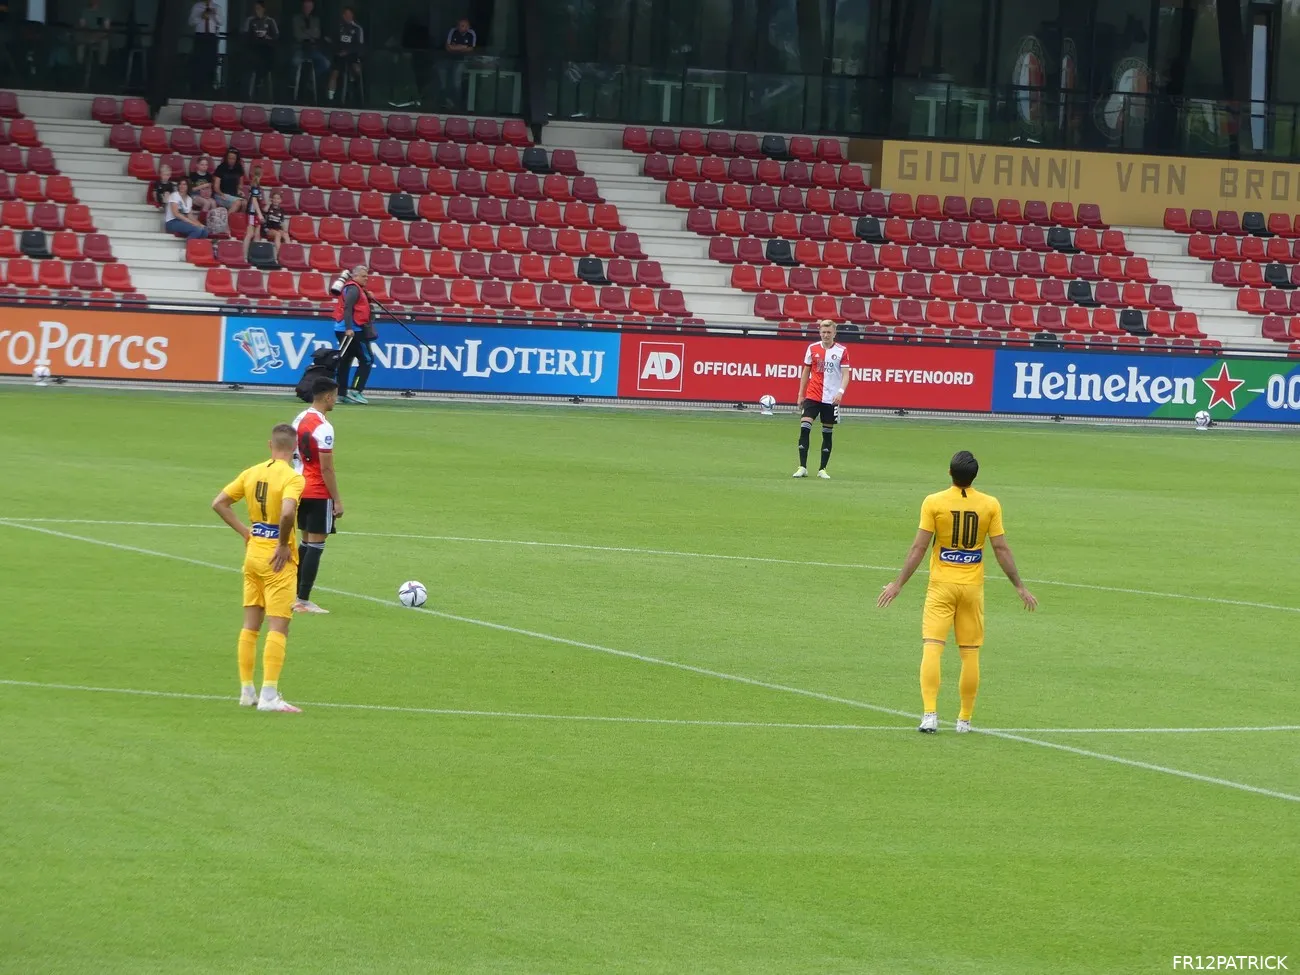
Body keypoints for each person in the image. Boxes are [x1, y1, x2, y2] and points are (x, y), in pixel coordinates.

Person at [877, 451, 1038, 734]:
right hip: (972, 588)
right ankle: (964, 720)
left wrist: (898, 583)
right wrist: (1019, 586)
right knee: (970, 653)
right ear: (974, 476)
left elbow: (919, 548)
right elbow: (1001, 548)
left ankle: (930, 715)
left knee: (932, 647)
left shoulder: (934, 502)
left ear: (950, 473)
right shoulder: (989, 504)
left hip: (941, 586)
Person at [210, 422, 306, 713]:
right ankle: (268, 696)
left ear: (270, 445)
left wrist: (245, 532)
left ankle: (246, 691)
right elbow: (288, 511)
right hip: (277, 560)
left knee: (250, 625)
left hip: (253, 553)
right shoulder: (292, 478)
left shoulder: (251, 472)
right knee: (279, 626)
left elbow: (220, 503)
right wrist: (281, 544)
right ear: (295, 448)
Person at [292, 378, 343, 615]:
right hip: (318, 491)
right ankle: (303, 600)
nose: (336, 400)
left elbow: (294, 455)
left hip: (299, 486)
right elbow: (327, 469)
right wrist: (338, 500)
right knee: (316, 545)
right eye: (335, 395)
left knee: (305, 542)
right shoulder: (324, 426)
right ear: (327, 397)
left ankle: (293, 595)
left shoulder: (299, 418)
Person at [793, 319, 850, 480]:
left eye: (829, 332)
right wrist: (800, 394)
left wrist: (840, 392)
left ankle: (822, 469)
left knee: (827, 433)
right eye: (823, 332)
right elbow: (805, 372)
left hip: (831, 398)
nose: (826, 335)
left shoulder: (842, 351)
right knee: (805, 427)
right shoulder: (812, 348)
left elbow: (846, 375)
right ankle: (802, 466)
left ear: (834, 333)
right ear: (819, 332)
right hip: (812, 395)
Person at [333, 265, 374, 404]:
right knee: (367, 359)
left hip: (341, 328)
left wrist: (369, 298)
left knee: (345, 361)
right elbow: (348, 307)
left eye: (367, 276)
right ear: (355, 276)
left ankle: (341, 393)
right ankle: (355, 391)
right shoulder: (353, 289)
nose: (366, 278)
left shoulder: (354, 288)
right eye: (363, 276)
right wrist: (349, 328)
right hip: (353, 330)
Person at [242, 0, 279, 99]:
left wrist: (266, 37)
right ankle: (249, 94)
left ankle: (266, 91)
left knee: (269, 61)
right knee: (251, 63)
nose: (257, 11)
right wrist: (254, 36)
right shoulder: (250, 20)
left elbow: (276, 37)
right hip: (253, 49)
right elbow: (244, 35)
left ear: (263, 9)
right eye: (255, 9)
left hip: (267, 50)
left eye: (259, 8)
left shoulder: (271, 21)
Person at [327, 6, 364, 102]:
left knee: (357, 70)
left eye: (349, 14)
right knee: (334, 72)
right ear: (343, 16)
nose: (347, 16)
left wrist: (348, 51)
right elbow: (333, 41)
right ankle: (330, 96)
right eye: (345, 14)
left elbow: (359, 45)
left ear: (352, 15)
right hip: (339, 54)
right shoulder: (338, 27)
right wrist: (339, 51)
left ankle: (356, 92)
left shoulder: (357, 28)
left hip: (352, 55)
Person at [439, 16, 476, 109]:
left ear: (468, 27)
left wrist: (455, 48)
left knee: (456, 81)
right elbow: (448, 47)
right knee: (440, 71)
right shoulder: (453, 31)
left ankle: (457, 104)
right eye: (460, 25)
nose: (462, 27)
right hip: (450, 59)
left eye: (464, 26)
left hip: (463, 60)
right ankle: (445, 100)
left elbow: (471, 48)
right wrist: (462, 47)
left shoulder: (471, 34)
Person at [291, 0, 329, 87]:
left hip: (312, 48)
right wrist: (311, 33)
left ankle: (311, 79)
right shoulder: (296, 18)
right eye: (306, 6)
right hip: (299, 47)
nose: (307, 8)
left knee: (326, 63)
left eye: (309, 7)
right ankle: (293, 83)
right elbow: (298, 35)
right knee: (294, 62)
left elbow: (317, 34)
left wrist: (305, 31)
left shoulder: (315, 20)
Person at [188, 0, 221, 94]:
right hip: (200, 37)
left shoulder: (217, 7)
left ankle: (209, 87)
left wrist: (214, 15)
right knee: (198, 62)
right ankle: (196, 88)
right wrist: (200, 17)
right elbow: (190, 22)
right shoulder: (196, 6)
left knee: (211, 62)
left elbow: (221, 22)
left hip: (211, 37)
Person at [76, 0, 110, 68]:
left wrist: (99, 34)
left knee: (105, 41)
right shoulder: (85, 11)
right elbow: (82, 26)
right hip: (87, 34)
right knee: (80, 42)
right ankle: (79, 64)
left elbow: (106, 28)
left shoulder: (104, 12)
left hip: (99, 35)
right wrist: (89, 33)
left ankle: (102, 65)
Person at [212, 149, 247, 214]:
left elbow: (240, 185)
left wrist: (239, 190)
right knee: (238, 202)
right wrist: (222, 194)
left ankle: (239, 220)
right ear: (226, 158)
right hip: (221, 194)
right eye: (229, 158)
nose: (231, 160)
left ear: (236, 159)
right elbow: (216, 187)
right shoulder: (221, 168)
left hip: (234, 195)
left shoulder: (239, 168)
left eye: (233, 158)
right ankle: (224, 221)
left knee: (245, 203)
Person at [258, 190, 290, 258]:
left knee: (285, 234)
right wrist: (269, 204)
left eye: (278, 198)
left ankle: (288, 253)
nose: (276, 200)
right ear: (271, 199)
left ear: (281, 200)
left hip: (277, 228)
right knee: (277, 234)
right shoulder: (268, 207)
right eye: (274, 198)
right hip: (268, 229)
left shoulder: (281, 210)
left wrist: (285, 230)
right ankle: (279, 254)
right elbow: (264, 210)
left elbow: (282, 222)